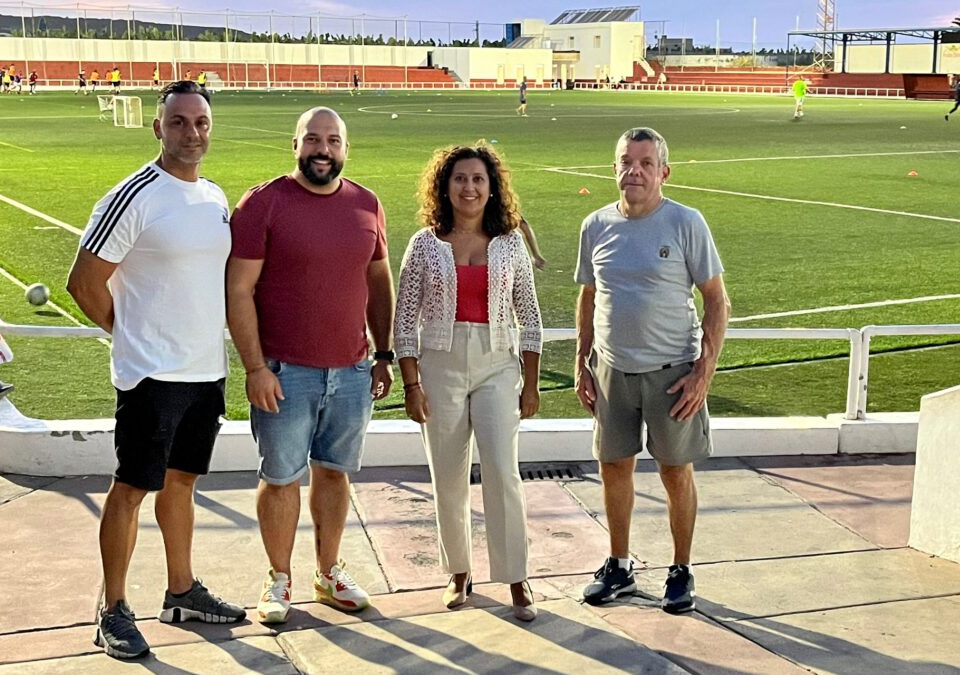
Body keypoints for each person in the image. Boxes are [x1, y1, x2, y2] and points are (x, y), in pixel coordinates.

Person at [67, 80, 246, 660]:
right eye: (178, 123)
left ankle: (181, 590)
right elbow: (84, 282)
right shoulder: (135, 194)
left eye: (200, 123)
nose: (191, 133)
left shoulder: (216, 197)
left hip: (204, 370)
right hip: (151, 375)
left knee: (182, 482)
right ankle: (112, 608)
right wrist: (131, 337)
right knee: (131, 488)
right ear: (158, 128)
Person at [227, 106, 394, 625]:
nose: (323, 150)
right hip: (285, 372)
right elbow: (238, 289)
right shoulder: (263, 204)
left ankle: (328, 574)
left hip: (351, 372)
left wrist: (383, 353)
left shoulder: (366, 204)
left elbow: (379, 283)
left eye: (333, 141)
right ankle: (279, 578)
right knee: (280, 478)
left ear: (345, 148)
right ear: (294, 144)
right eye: (313, 140)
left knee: (335, 474)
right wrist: (256, 368)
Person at [575, 127, 730, 615]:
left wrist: (704, 371)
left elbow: (717, 301)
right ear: (614, 168)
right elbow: (588, 295)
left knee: (674, 472)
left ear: (663, 171)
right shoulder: (595, 225)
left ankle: (680, 570)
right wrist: (583, 359)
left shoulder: (686, 222)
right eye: (626, 162)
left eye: (645, 163)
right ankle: (619, 565)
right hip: (612, 372)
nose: (633, 171)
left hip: (673, 374)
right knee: (614, 467)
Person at [393, 144, 542, 622]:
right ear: (445, 186)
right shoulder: (424, 244)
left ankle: (516, 576)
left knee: (502, 469)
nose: (470, 188)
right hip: (440, 364)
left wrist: (531, 383)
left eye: (479, 179)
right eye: (460, 179)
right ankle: (459, 571)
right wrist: (412, 384)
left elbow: (531, 318)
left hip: (498, 363)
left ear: (492, 186)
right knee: (448, 475)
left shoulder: (511, 243)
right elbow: (404, 321)